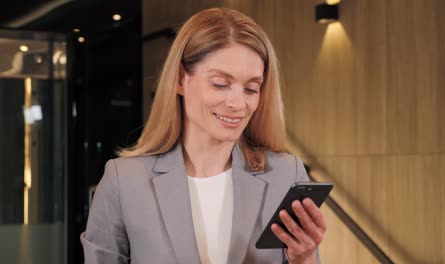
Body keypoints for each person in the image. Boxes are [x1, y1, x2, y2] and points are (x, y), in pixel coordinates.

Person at [81, 7, 327, 264]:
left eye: (251, 89)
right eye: (220, 84)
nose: (238, 103)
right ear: (180, 79)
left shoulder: (286, 175)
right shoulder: (124, 181)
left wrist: (305, 259)